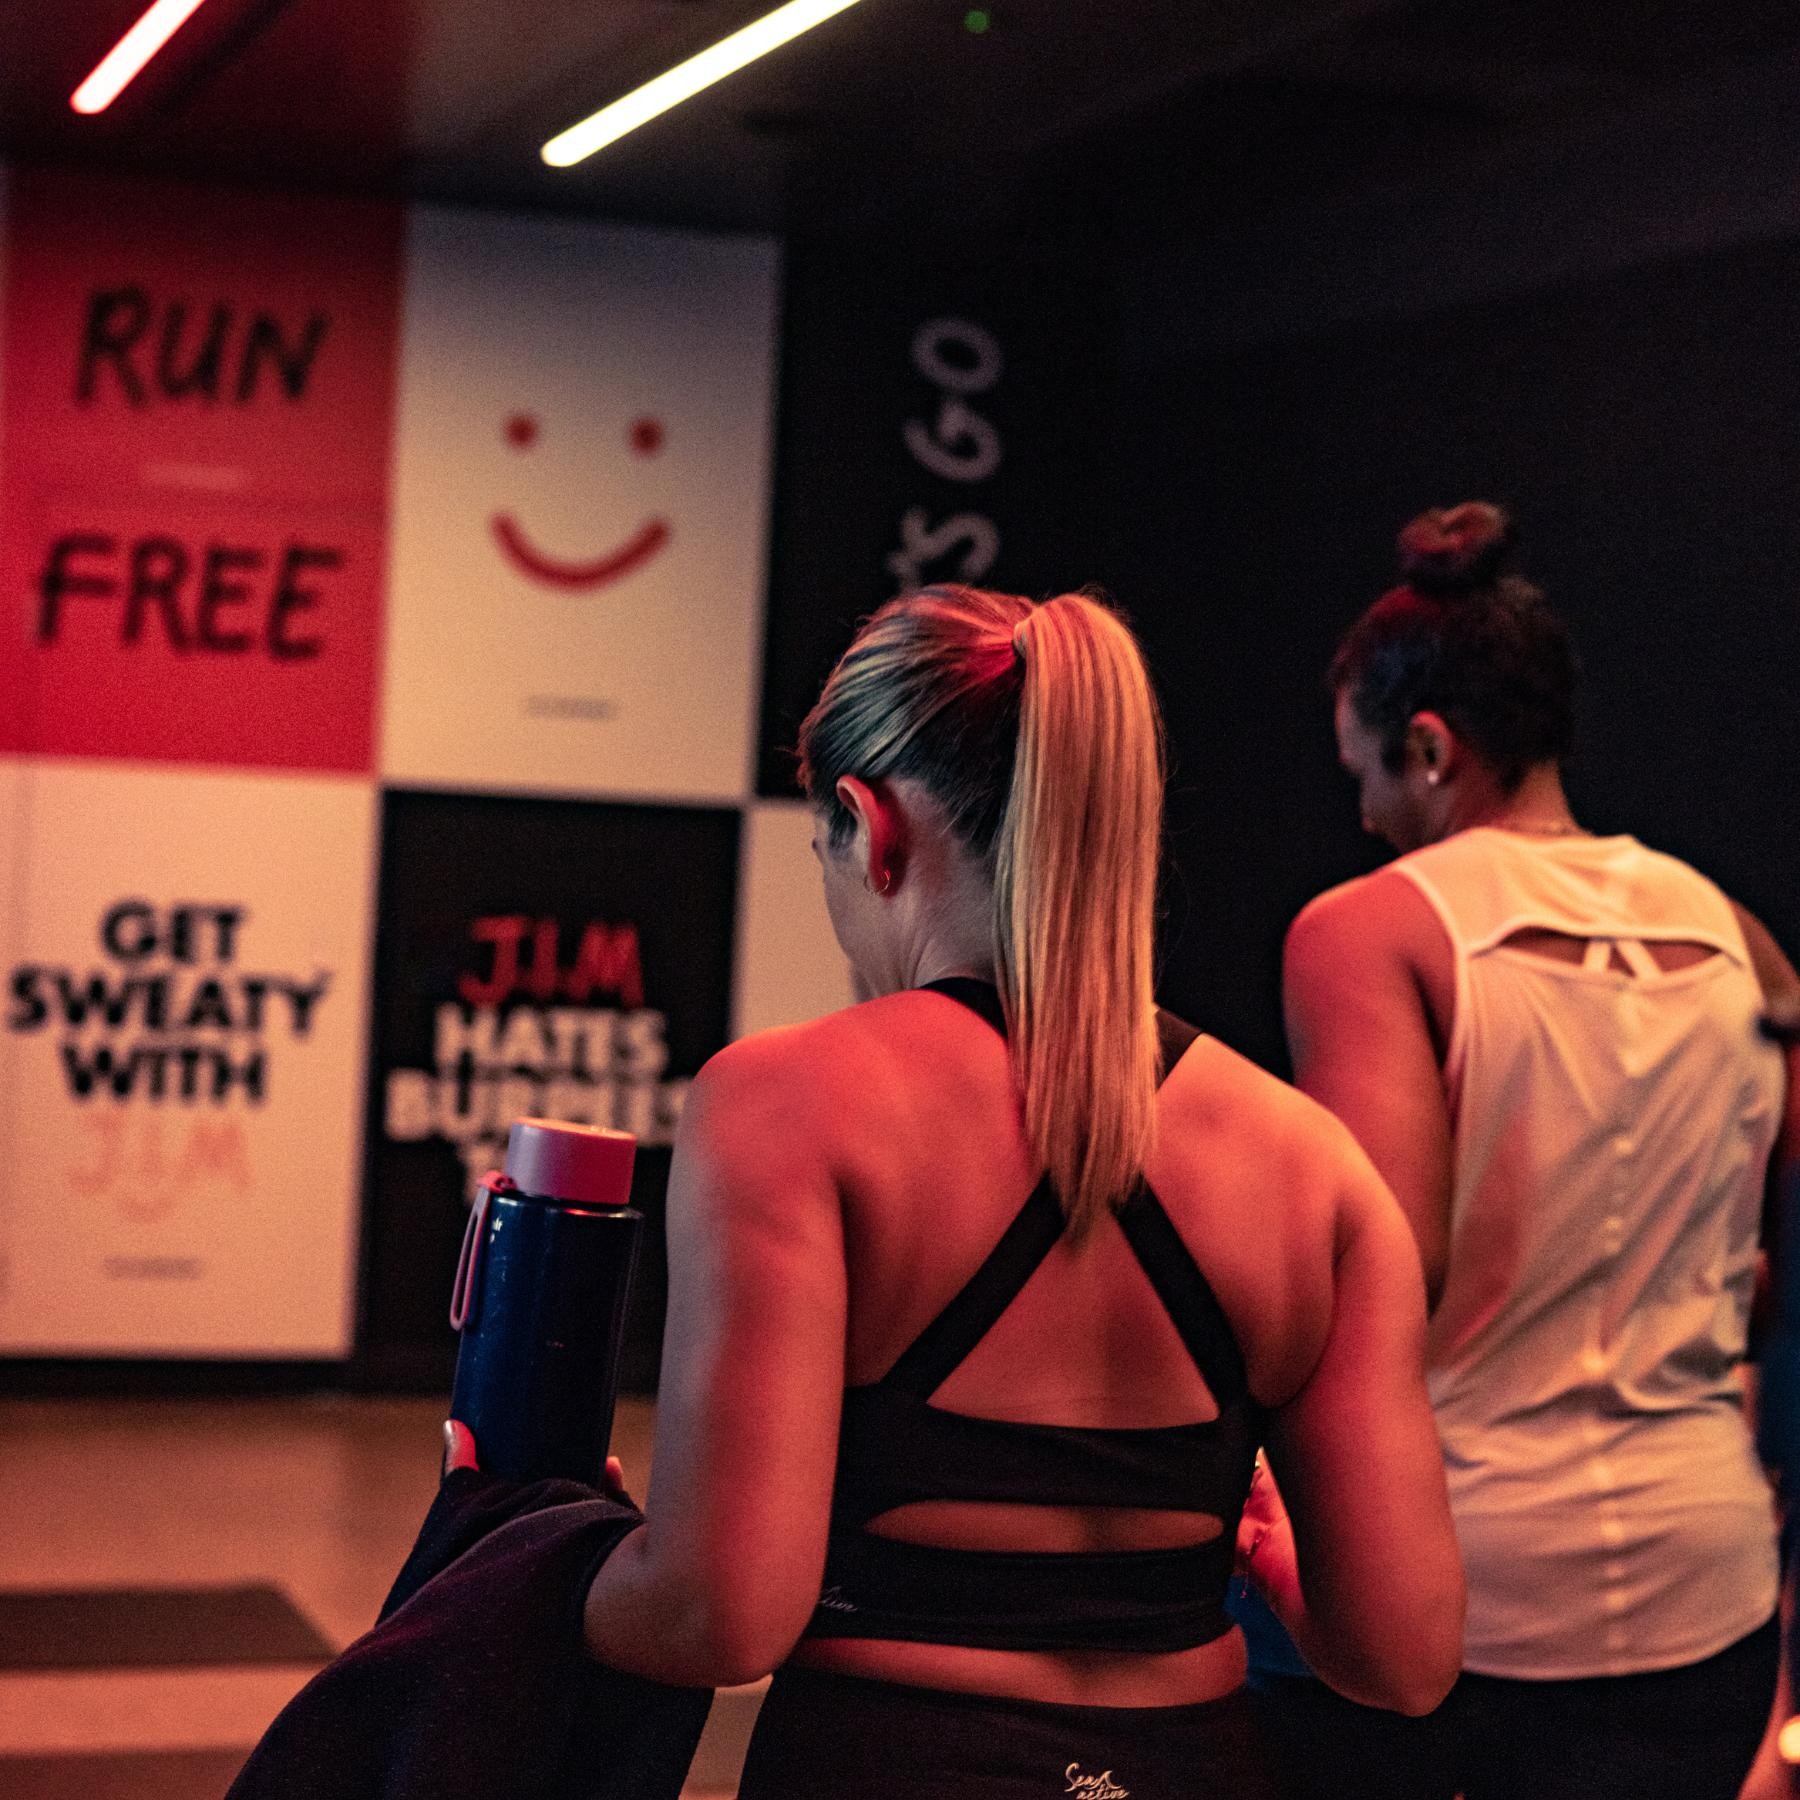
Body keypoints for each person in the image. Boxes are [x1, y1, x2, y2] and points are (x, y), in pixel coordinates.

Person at [572, 583, 1462, 1799]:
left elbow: (716, 1616)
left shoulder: (783, 1108)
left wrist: (530, 1557)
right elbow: (1405, 1658)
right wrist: (1264, 1560)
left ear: (869, 826)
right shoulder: (1315, 1170)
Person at [1274, 504, 1797, 1800]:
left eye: (1365, 774)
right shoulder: (1734, 931)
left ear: (1431, 749)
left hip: (1468, 1603)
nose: (1365, 816)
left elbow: (1384, 1282)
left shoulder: (1367, 931)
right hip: (1709, 1596)